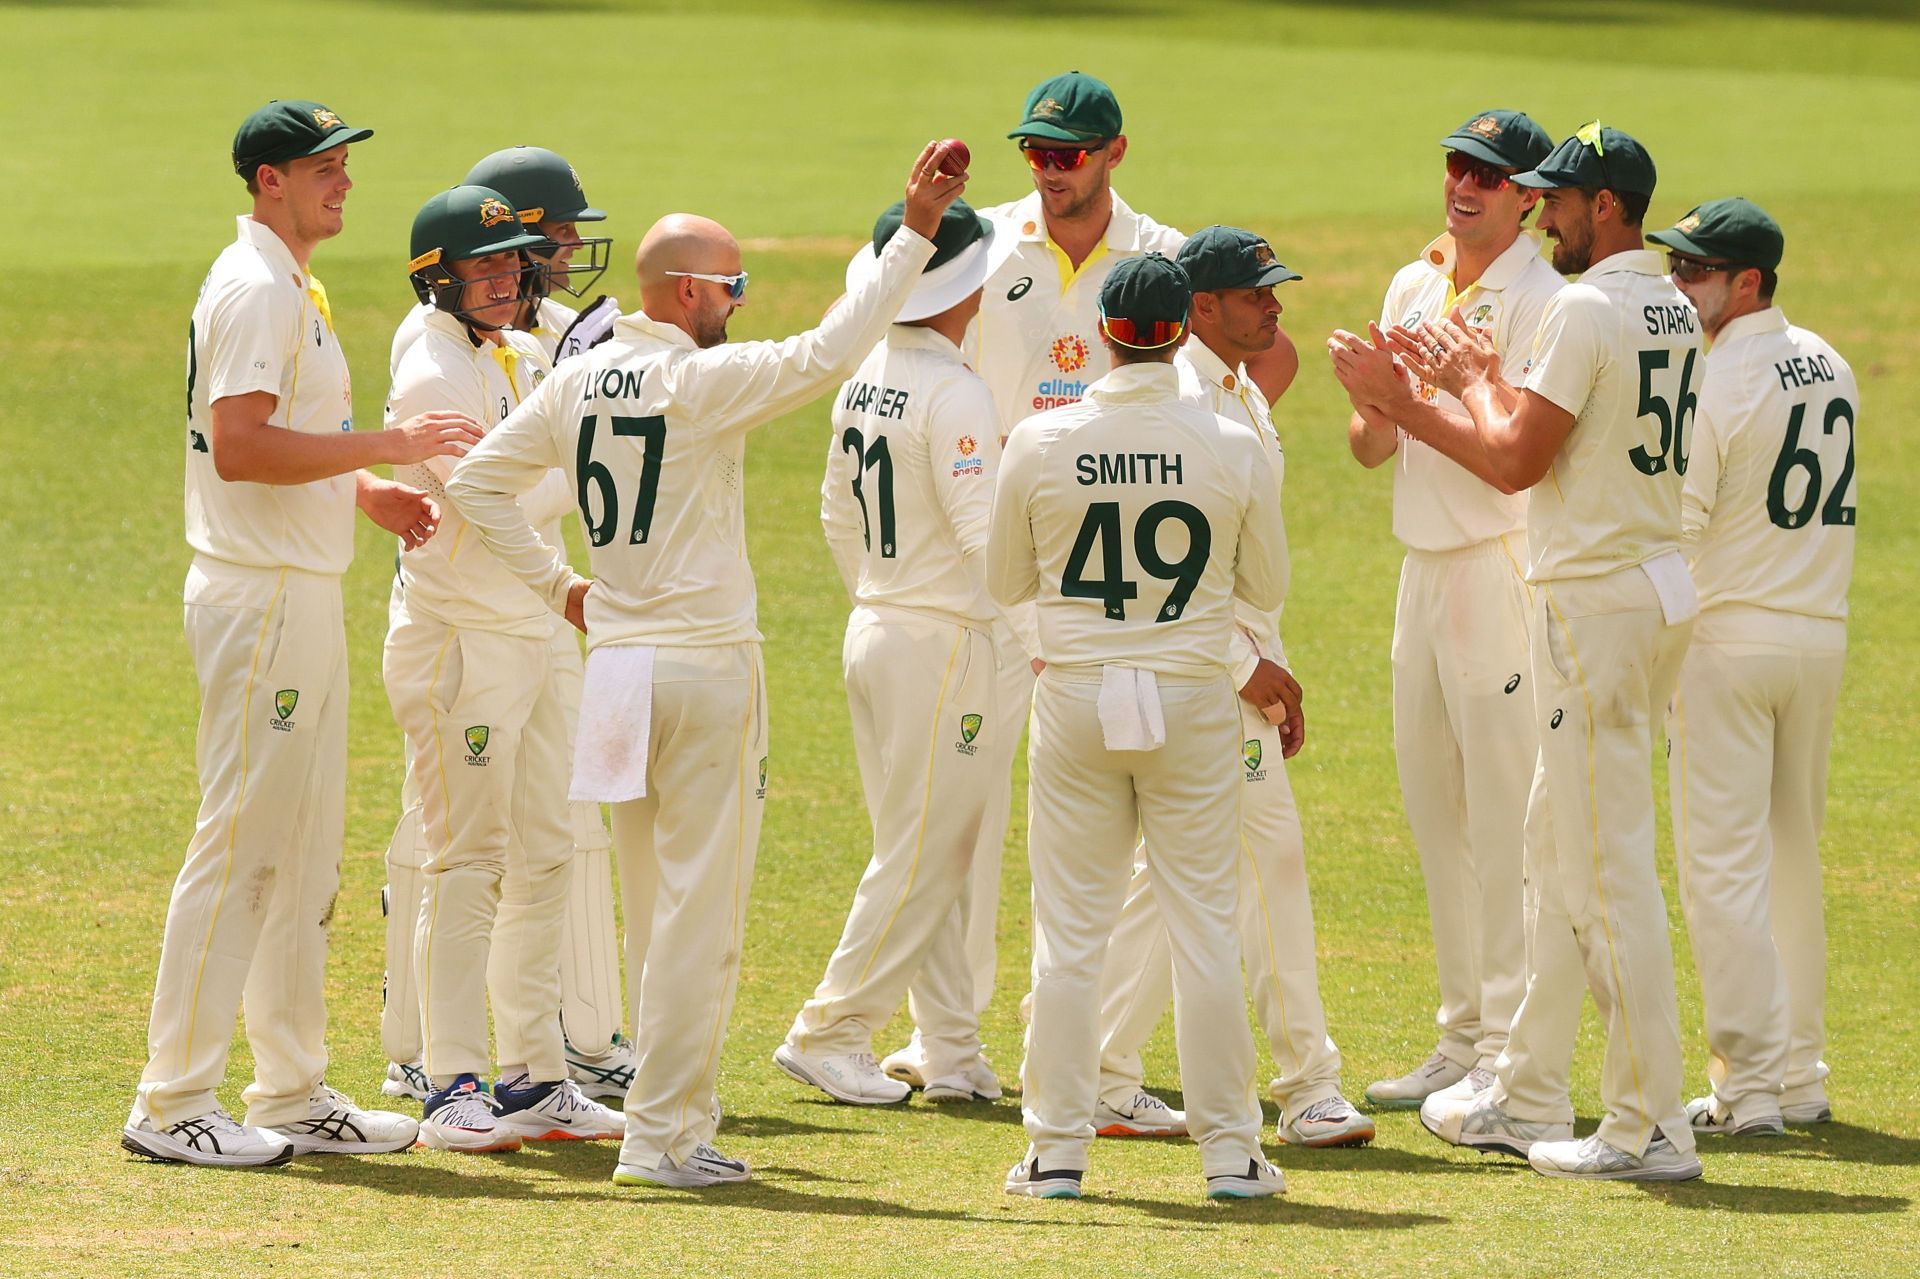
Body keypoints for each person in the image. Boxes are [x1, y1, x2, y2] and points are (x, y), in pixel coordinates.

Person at [443, 140, 969, 1188]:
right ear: (688, 290)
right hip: (701, 669)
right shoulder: (701, 380)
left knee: (653, 904)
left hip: (618, 671)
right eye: (732, 287)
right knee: (701, 913)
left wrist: (562, 590)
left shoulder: (577, 380)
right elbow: (831, 349)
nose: (740, 303)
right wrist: (913, 226)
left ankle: (666, 1120)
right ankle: (664, 1134)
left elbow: (477, 486)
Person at [889, 69, 1296, 1138]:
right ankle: (949, 1043)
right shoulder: (987, 244)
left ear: (1115, 150)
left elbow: (1267, 355)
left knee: (1103, 873)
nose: (1048, 168)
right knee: (963, 815)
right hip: (1002, 555)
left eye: (1067, 152)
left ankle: (1090, 1082)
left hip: (1109, 594)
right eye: (1035, 150)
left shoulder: (1163, 254)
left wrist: (1184, 459)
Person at [1337, 122, 1704, 1181]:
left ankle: (1649, 1126)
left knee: (1599, 870)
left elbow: (1512, 461)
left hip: (1593, 600)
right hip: (1645, 586)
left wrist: (1426, 397)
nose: (1544, 214)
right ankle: (1527, 1085)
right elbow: (1535, 436)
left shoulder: (1585, 306)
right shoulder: (1672, 303)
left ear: (1605, 207)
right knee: (1559, 844)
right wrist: (1486, 375)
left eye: (1557, 199)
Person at [122, 99, 475, 1168]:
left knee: (304, 851)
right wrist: (393, 442)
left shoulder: (289, 284)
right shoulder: (253, 286)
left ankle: (291, 1089)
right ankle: (171, 1099)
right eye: (325, 165)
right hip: (261, 597)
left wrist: (362, 485)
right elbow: (238, 446)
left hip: (303, 589)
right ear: (269, 179)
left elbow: (288, 440)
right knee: (240, 845)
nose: (345, 182)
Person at [988, 253, 1289, 1200]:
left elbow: (1005, 585)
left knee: (1070, 934)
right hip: (1192, 692)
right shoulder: (1230, 443)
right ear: (1180, 332)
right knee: (1203, 923)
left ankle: (1057, 1151)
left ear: (1111, 332)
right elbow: (1266, 587)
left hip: (1077, 690)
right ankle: (1232, 1153)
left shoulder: (1040, 440)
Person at [1090, 226, 1372, 1148]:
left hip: (1224, 665)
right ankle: (1308, 1086)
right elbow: (1174, 573)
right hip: (1205, 673)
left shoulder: (1237, 387)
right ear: (1199, 307)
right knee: (1268, 862)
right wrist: (1250, 670)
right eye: (1256, 294)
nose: (1275, 306)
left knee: (1160, 878)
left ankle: (1096, 1069)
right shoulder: (1176, 403)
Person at [378, 146, 633, 1107]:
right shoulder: (430, 364)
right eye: (482, 269)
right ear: (437, 280)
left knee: (548, 850)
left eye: (511, 264)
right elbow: (500, 502)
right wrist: (588, 466)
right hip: (461, 643)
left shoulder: (517, 348)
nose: (503, 282)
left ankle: (537, 1074)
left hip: (527, 633)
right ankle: (451, 1080)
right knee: (469, 858)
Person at [1329, 110, 1562, 1111]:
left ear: (1528, 199)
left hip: (1497, 567)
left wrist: (1422, 394)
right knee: (1435, 812)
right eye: (1457, 167)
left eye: (1489, 174)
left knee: (1504, 816)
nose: (1464, 185)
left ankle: (1508, 1053)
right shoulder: (1415, 283)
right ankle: (1460, 1034)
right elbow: (1369, 446)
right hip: (1420, 570)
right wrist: (1378, 401)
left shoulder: (1549, 302)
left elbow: (1513, 467)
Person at [775, 199, 1018, 1105]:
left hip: (876, 628)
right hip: (942, 641)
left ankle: (951, 1048)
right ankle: (830, 1029)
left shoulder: (866, 374)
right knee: (924, 850)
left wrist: (881, 597)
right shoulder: (955, 391)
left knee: (926, 845)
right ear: (969, 286)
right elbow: (983, 540)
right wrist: (1021, 632)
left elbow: (838, 514)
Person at [1647, 198, 1857, 1136]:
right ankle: (1800, 1074)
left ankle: (1751, 1088)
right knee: (1789, 857)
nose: (1678, 287)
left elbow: (1681, 522)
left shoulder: (1716, 376)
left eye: (1697, 272)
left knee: (1719, 868)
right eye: (1676, 267)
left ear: (1749, 283)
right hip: (1819, 633)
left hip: (1730, 638)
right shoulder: (1831, 362)